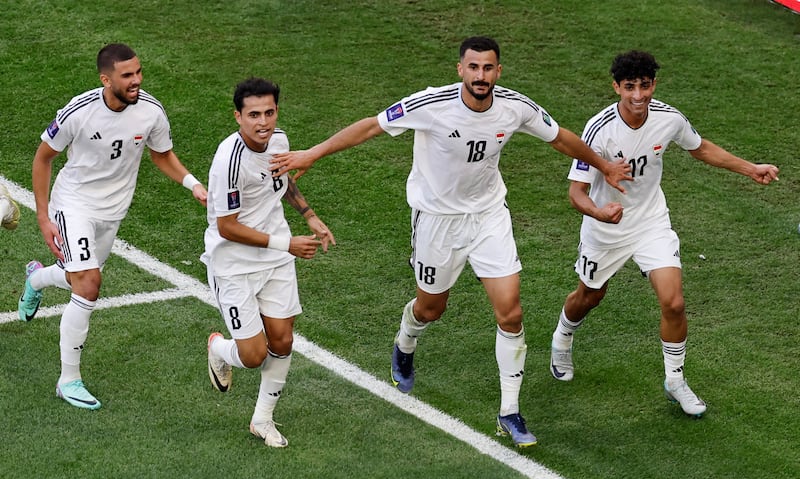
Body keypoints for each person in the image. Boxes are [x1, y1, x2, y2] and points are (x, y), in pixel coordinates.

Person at [270, 36, 631, 447]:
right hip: (437, 220)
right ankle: (406, 340)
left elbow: (560, 137)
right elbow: (372, 126)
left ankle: (509, 411)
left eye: (488, 68)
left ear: (499, 71)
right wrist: (313, 153)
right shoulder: (431, 105)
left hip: (489, 216)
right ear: (460, 69)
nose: (481, 76)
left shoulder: (515, 107)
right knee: (431, 307)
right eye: (473, 68)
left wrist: (602, 165)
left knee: (510, 313)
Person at [549, 50, 779, 417]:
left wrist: (750, 169)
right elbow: (576, 193)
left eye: (645, 86)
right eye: (629, 88)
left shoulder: (669, 119)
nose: (638, 96)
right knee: (589, 296)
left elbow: (700, 149)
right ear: (616, 87)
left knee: (673, 302)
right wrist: (600, 213)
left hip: (651, 222)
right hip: (606, 228)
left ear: (653, 84)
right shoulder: (599, 130)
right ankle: (563, 336)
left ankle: (675, 380)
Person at [18, 43, 208, 410]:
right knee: (89, 283)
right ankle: (68, 379)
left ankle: (36, 279)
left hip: (113, 212)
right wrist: (43, 217)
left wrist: (193, 184)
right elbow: (43, 159)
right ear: (106, 79)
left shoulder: (151, 111)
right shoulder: (79, 111)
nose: (136, 80)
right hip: (73, 205)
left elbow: (161, 154)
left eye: (138, 72)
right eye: (127, 75)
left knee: (76, 277)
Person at [203, 78, 335, 448]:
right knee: (253, 353)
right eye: (254, 115)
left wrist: (308, 215)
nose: (264, 122)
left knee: (282, 339)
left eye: (270, 112)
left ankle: (262, 419)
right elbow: (227, 227)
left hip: (276, 258)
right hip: (233, 265)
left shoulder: (278, 140)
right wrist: (286, 243)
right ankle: (218, 348)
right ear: (238, 117)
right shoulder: (228, 162)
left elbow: (280, 180)